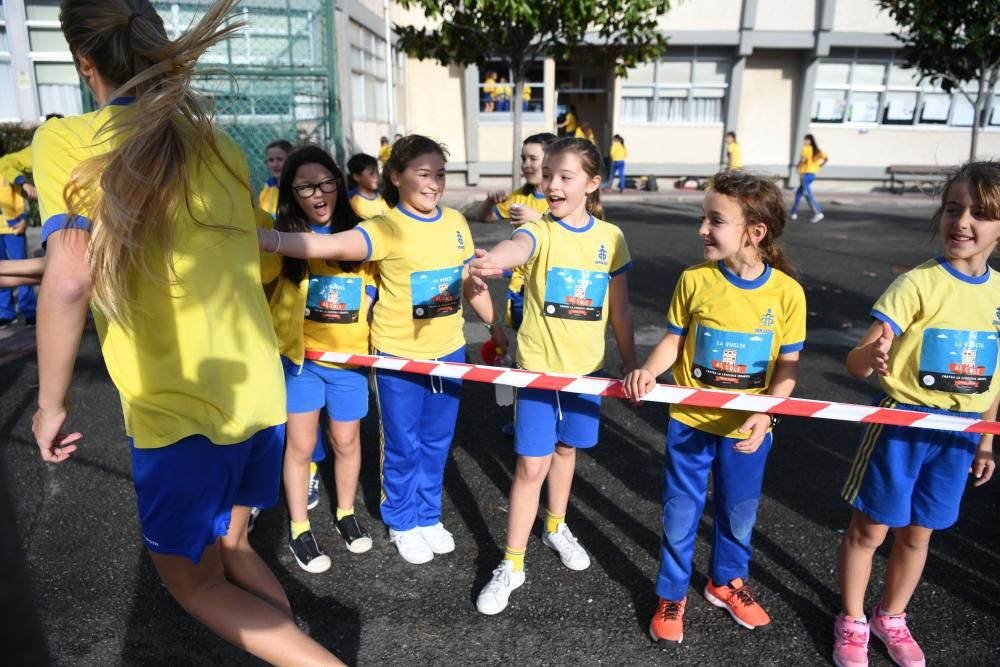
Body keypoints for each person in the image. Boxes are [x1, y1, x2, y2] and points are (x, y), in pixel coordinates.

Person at [30, 1, 342, 664]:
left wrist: (50, 406)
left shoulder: (66, 140)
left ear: (87, 64)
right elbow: (253, 261)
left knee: (193, 583)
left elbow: (66, 278)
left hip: (180, 410)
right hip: (257, 396)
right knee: (233, 550)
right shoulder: (220, 146)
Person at [258, 134, 508, 565]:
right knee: (402, 444)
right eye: (423, 174)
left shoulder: (454, 223)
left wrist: (495, 328)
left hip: (450, 352)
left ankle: (428, 515)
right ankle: (401, 520)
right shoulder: (383, 227)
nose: (434, 184)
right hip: (397, 355)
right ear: (397, 176)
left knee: (437, 441)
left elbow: (469, 283)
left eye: (440, 175)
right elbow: (329, 245)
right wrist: (272, 240)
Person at [623, 171, 805, 645]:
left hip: (748, 430)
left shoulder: (787, 294)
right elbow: (672, 340)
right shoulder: (694, 280)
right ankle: (671, 594)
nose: (703, 229)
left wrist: (767, 412)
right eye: (704, 218)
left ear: (754, 232)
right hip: (690, 422)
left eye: (715, 221)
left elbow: (788, 370)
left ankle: (725, 583)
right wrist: (650, 371)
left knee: (738, 512)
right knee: (681, 511)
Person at [832, 161, 999, 667]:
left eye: (980, 212)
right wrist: (872, 356)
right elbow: (857, 362)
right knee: (871, 529)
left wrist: (988, 439)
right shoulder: (917, 284)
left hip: (961, 434)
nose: (962, 221)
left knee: (919, 532)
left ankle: (892, 616)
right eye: (953, 208)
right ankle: (853, 619)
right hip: (902, 425)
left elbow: (994, 374)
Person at [469, 137, 636, 615]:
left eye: (565, 177)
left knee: (567, 451)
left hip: (587, 374)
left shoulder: (612, 238)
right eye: (549, 176)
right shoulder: (540, 230)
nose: (554, 185)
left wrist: (630, 364)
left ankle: (557, 525)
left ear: (592, 182)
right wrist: (493, 261)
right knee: (530, 466)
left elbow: (620, 310)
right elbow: (516, 246)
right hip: (538, 372)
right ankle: (512, 563)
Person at [261, 145, 376, 573]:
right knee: (302, 445)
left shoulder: (361, 233)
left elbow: (381, 279)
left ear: (338, 184)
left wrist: (370, 295)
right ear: (292, 193)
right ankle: (299, 528)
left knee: (346, 442)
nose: (319, 193)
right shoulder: (283, 240)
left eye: (325, 182)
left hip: (348, 364)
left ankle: (346, 513)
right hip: (300, 363)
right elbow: (255, 281)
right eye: (306, 186)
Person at [477, 132, 558, 435]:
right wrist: (488, 202)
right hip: (521, 292)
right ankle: (525, 417)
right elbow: (483, 218)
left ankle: (550, 414)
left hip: (552, 291)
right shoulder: (519, 195)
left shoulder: (560, 200)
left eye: (532, 158)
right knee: (526, 354)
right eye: (523, 157)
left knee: (550, 353)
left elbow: (578, 230)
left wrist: (539, 217)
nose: (525, 164)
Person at [0, 140, 38, 327]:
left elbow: (19, 195)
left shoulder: (5, 163)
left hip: (13, 227)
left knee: (23, 268)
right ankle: (6, 312)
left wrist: (24, 219)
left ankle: (29, 310)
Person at [790, 134, 827, 223]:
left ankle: (818, 213)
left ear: (810, 141)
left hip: (805, 175)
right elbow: (826, 158)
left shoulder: (806, 148)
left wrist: (797, 167)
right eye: (805, 140)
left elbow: (803, 159)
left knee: (808, 194)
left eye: (806, 140)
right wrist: (819, 165)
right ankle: (793, 213)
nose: (805, 141)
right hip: (812, 175)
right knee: (799, 194)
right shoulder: (817, 150)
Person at [346, 153, 387, 219]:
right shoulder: (352, 203)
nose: (376, 176)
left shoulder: (382, 195)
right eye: (371, 173)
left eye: (377, 172)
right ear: (357, 177)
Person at [259, 139, 292, 217]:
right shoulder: (269, 186)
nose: (275, 164)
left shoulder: (296, 189)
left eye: (280, 159)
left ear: (291, 160)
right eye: (271, 160)